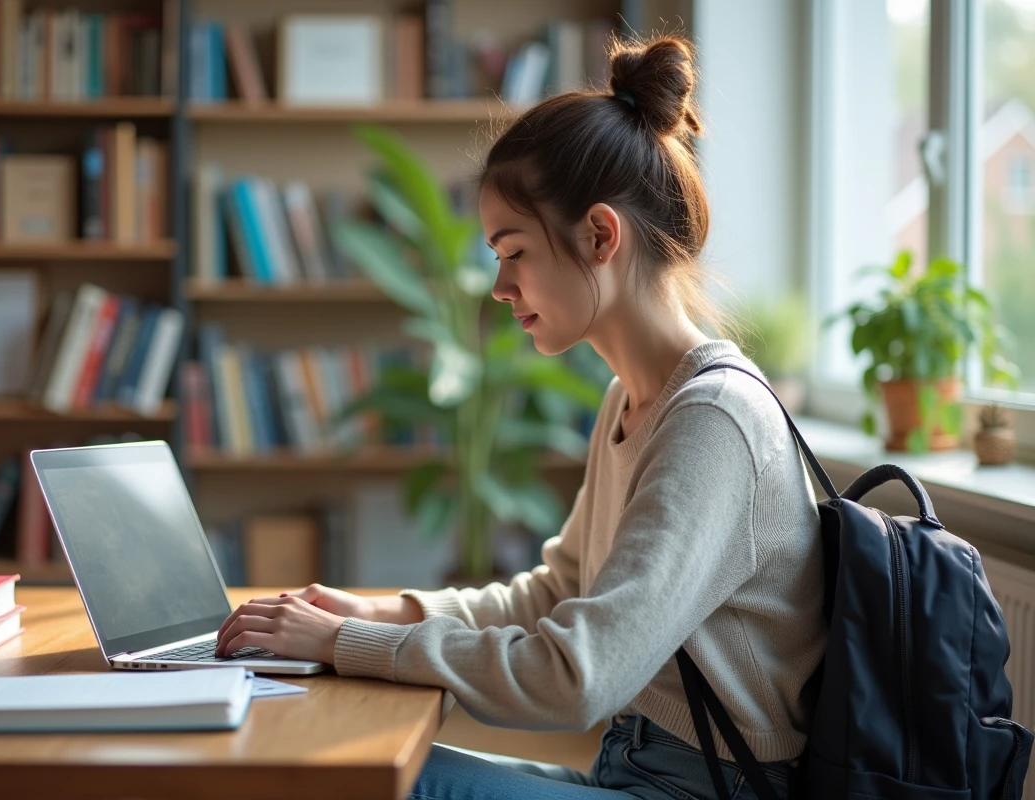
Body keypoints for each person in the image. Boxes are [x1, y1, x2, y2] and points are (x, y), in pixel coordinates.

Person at [215, 34, 827, 800]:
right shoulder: (634, 401)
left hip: (708, 789)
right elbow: (553, 596)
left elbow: (578, 676)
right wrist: (374, 610)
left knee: (369, 782)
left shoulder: (714, 419)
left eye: (513, 252)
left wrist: (347, 643)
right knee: (359, 767)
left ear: (600, 236)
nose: (500, 288)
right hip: (642, 766)